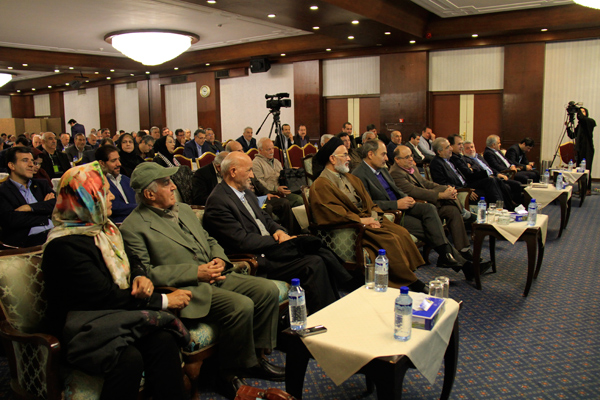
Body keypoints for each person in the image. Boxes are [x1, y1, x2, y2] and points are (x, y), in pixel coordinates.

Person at [120, 162, 283, 398]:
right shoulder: (133, 227)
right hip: (188, 288)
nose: (174, 186)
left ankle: (255, 359)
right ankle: (228, 375)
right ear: (149, 194)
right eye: (166, 183)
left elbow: (209, 239)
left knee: (267, 290)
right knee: (241, 306)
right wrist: (194, 273)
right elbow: (146, 273)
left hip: (216, 274)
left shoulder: (184, 209)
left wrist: (219, 259)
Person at [41, 162, 189, 400]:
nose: (112, 197)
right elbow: (104, 296)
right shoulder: (63, 246)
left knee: (163, 341)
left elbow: (133, 258)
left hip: (116, 318)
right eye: (105, 192)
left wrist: (139, 275)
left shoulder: (105, 230)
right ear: (86, 199)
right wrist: (163, 300)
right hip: (81, 330)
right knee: (128, 358)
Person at [203, 152, 349, 313]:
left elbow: (266, 218)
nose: (252, 176)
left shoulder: (247, 193)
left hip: (272, 249)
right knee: (313, 261)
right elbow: (241, 241)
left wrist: (278, 230)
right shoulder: (218, 201)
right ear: (233, 171)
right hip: (257, 257)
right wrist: (278, 240)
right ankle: (324, 313)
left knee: (317, 249)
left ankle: (338, 302)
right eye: (249, 170)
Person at [309, 137, 427, 292]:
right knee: (390, 239)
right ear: (332, 159)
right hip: (353, 225)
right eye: (345, 155)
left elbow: (369, 202)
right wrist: (362, 220)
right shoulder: (321, 184)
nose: (349, 159)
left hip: (367, 219)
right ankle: (409, 281)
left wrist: (374, 217)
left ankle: (409, 274)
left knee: (402, 232)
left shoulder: (350, 177)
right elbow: (331, 212)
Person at [353, 139, 471, 272]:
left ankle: (449, 258)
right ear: (370, 154)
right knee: (430, 229)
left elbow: (397, 190)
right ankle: (459, 262)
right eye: (383, 154)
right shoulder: (359, 175)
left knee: (429, 208)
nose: (386, 158)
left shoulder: (382, 169)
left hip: (403, 206)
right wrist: (396, 204)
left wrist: (405, 198)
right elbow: (367, 204)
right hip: (390, 214)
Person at [389, 145, 476, 260]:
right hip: (418, 208)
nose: (411, 159)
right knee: (446, 199)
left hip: (430, 204)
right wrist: (441, 195)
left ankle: (463, 250)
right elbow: (415, 191)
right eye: (407, 157)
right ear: (397, 159)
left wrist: (445, 188)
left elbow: (426, 183)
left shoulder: (411, 167)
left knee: (452, 210)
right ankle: (464, 213)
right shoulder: (395, 173)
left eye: (411, 156)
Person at [0, 146, 56, 247]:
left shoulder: (41, 185)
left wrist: (30, 207)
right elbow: (12, 220)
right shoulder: (3, 191)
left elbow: (59, 205)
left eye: (32, 161)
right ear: (12, 165)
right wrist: (44, 211)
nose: (31, 165)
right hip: (27, 240)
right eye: (25, 160)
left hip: (53, 232)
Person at [462, 140, 522, 206]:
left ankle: (513, 204)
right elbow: (475, 171)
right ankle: (503, 206)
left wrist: (497, 174)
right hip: (482, 179)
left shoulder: (479, 156)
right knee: (495, 181)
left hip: (493, 176)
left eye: (472, 147)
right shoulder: (465, 160)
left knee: (516, 184)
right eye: (467, 148)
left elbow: (489, 167)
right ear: (463, 151)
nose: (471, 149)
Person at [252, 138, 303, 207]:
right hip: (272, 192)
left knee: (305, 195)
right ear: (260, 150)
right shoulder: (256, 163)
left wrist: (291, 171)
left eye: (273, 148)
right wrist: (276, 188)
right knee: (299, 199)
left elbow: (282, 176)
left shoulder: (276, 161)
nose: (272, 151)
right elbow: (259, 183)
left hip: (284, 189)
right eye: (268, 149)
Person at [96, 145, 137, 223]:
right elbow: (113, 207)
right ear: (102, 163)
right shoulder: (100, 182)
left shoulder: (126, 179)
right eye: (113, 161)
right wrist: (140, 207)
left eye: (119, 159)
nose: (119, 164)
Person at [154, 135, 193, 204]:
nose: (173, 144)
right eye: (170, 142)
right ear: (163, 144)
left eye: (174, 142)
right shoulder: (158, 160)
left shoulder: (173, 159)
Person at [574, 107, 596, 191]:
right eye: (580, 112)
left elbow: (583, 119)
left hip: (588, 149)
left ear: (586, 113)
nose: (581, 113)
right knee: (579, 169)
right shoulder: (579, 125)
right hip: (580, 149)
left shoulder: (590, 122)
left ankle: (587, 189)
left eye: (583, 111)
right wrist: (568, 127)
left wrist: (579, 111)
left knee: (587, 169)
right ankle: (581, 189)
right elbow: (573, 135)